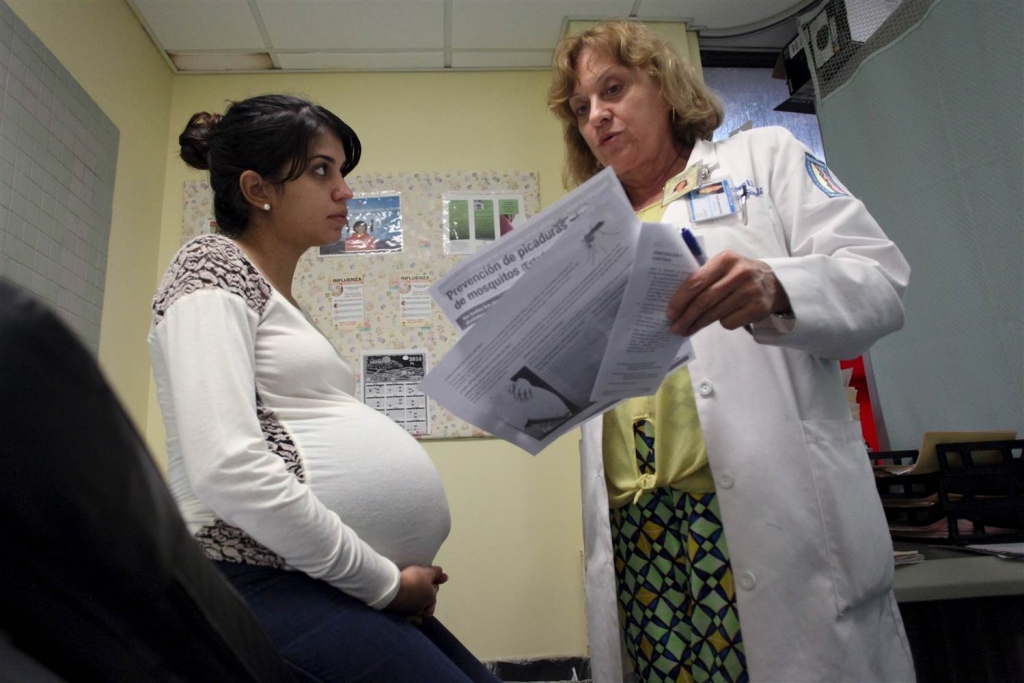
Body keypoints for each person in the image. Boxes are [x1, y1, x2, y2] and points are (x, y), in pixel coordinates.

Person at [548, 21, 914, 683]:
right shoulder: (589, 233)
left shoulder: (762, 160)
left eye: (612, 88)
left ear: (662, 86)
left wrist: (777, 287)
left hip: (758, 507)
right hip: (640, 527)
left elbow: (879, 280)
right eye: (581, 107)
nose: (597, 114)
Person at [151, 94, 499, 683]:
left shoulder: (282, 302)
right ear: (258, 189)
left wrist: (387, 581)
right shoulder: (210, 265)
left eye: (342, 171)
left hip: (325, 581)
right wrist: (387, 584)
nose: (345, 191)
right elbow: (228, 466)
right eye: (321, 171)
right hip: (252, 578)